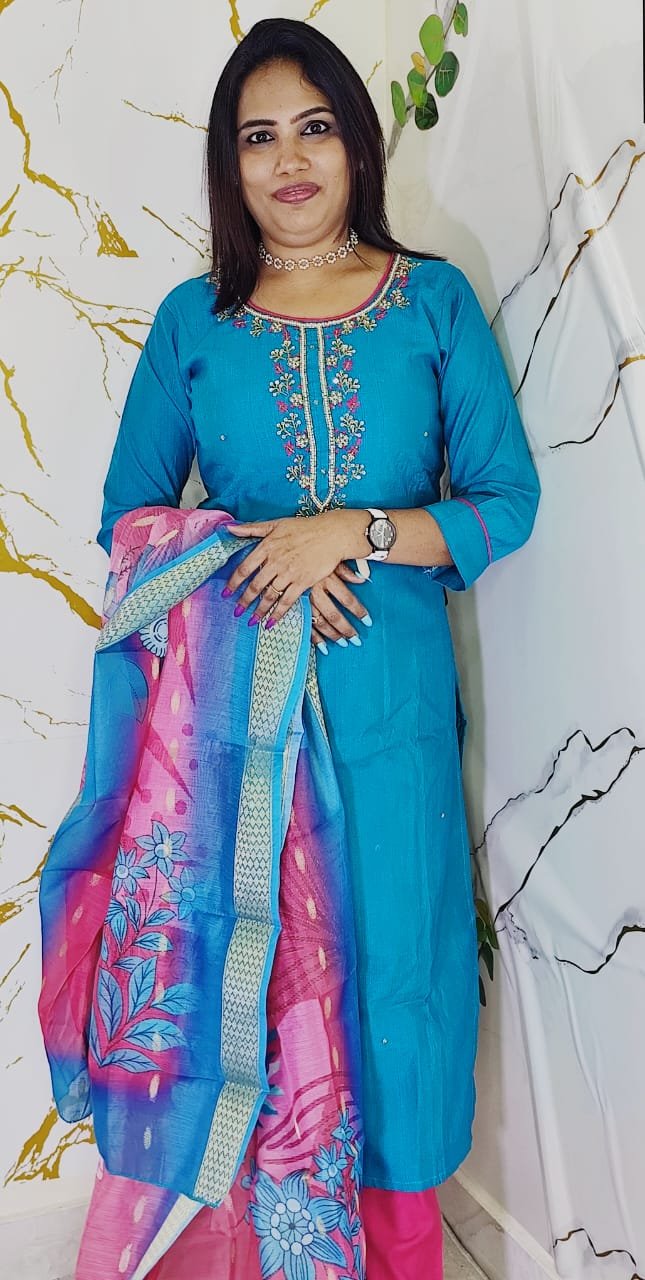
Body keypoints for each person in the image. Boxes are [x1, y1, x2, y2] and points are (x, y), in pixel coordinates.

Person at [64, 16, 540, 1280]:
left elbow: (506, 501)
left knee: (396, 996)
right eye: (258, 137)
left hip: (391, 728)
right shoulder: (195, 323)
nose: (288, 161)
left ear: (356, 143)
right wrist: (261, 555)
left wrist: (356, 531)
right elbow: (126, 524)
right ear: (228, 163)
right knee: (256, 1007)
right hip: (240, 746)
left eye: (314, 128)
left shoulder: (432, 300)